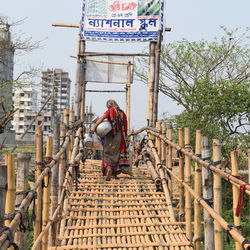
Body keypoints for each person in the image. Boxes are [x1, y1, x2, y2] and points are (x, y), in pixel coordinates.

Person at [91, 99, 130, 181]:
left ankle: (108, 168)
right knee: (116, 154)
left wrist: (94, 126)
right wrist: (126, 138)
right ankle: (115, 174)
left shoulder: (110, 111)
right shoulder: (122, 113)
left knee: (107, 153)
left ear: (109, 106)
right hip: (119, 136)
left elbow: (101, 118)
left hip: (110, 135)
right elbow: (125, 127)